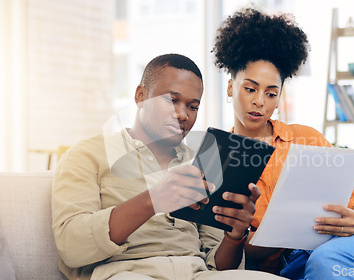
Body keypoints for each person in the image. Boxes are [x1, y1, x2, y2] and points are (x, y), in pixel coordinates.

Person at [212, 8, 354, 280]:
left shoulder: (305, 139)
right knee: (321, 264)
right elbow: (232, 257)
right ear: (230, 87)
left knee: (327, 259)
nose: (260, 101)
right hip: (299, 265)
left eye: (271, 93)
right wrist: (263, 235)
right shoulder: (220, 160)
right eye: (250, 89)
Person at [52, 54, 287, 280]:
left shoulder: (203, 162)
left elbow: (220, 267)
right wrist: (153, 200)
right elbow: (71, 247)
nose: (182, 114)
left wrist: (235, 236)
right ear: (140, 96)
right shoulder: (87, 155)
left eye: (193, 106)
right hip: (128, 273)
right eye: (171, 100)